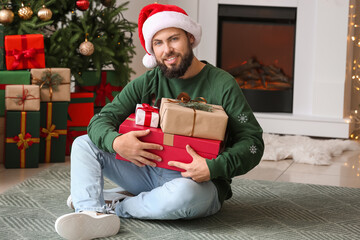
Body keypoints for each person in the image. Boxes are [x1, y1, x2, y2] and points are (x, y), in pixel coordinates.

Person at [55, 3, 264, 240]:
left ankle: (115, 207)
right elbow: (99, 121)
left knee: (184, 196)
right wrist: (117, 143)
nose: (167, 50)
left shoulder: (223, 84)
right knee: (83, 144)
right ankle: (90, 213)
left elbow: (253, 143)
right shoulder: (148, 81)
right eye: (158, 43)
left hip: (195, 184)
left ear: (190, 38)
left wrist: (212, 167)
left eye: (174, 39)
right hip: (147, 170)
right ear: (152, 50)